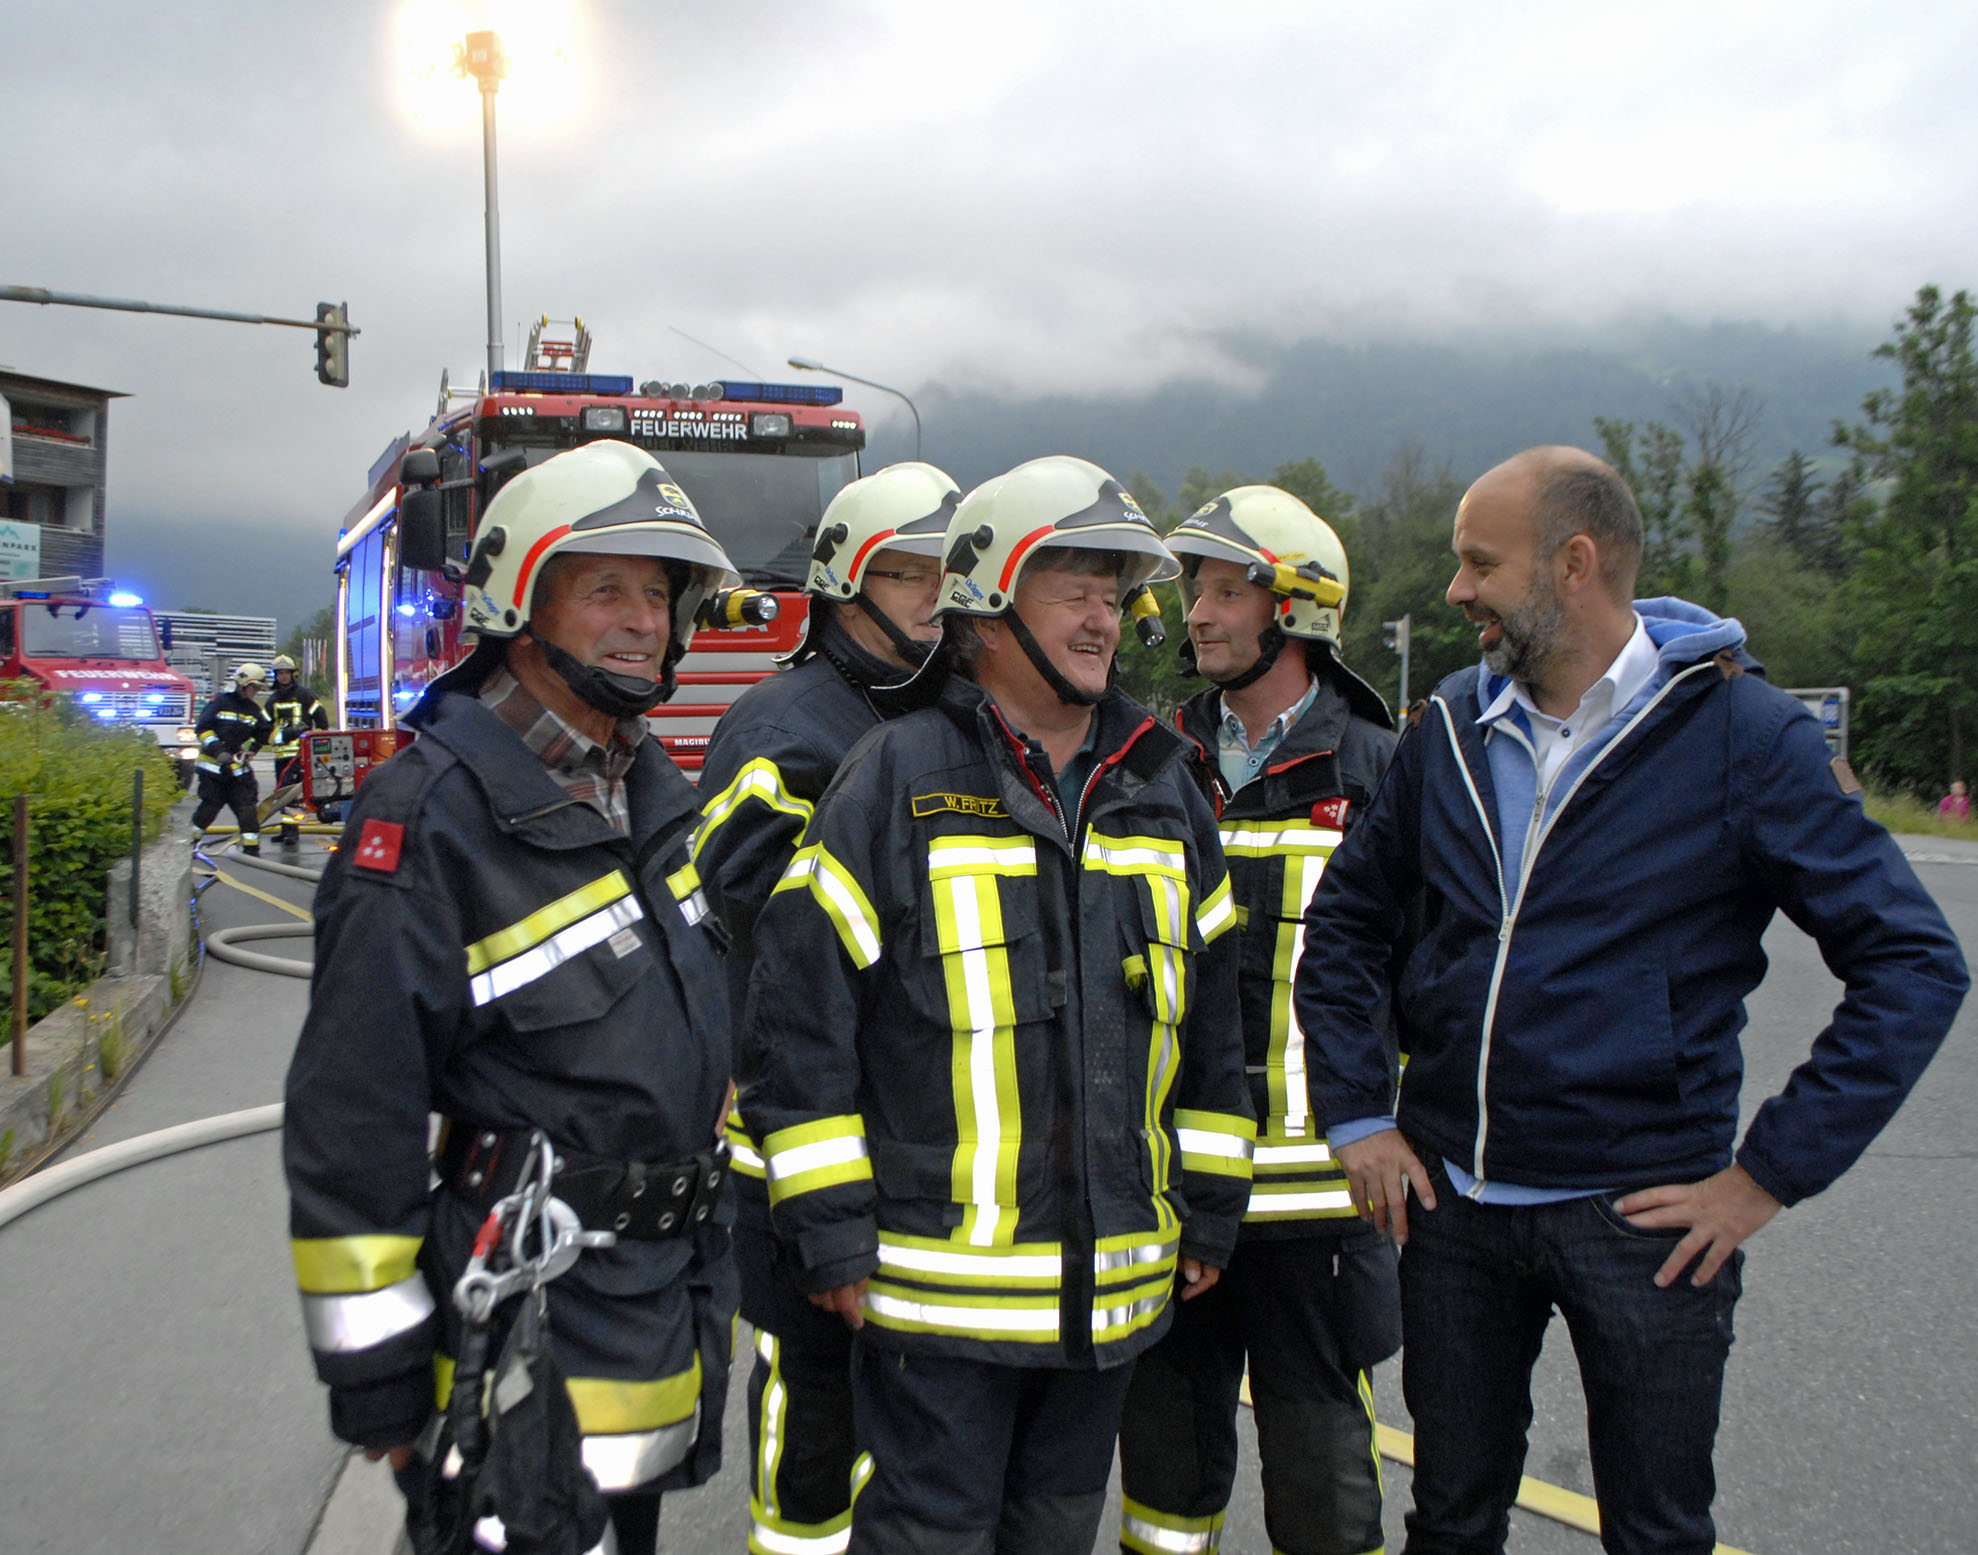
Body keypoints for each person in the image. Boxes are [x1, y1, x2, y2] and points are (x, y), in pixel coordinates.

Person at [1295, 445, 1969, 1555]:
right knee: (1449, 1518)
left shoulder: (1743, 735)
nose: (1456, 590)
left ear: (1574, 563)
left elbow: (1913, 962)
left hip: (1644, 1218)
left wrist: (1765, 1177)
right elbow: (1348, 923)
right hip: (1455, 1207)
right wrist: (1359, 1113)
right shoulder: (1452, 725)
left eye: (1480, 563)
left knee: (1656, 1531)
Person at [747, 455, 1254, 1555]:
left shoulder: (1164, 789)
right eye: (1072, 588)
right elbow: (799, 1021)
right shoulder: (893, 780)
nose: (1102, 618)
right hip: (936, 1309)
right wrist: (829, 1231)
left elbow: (1216, 1027)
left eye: (1113, 593)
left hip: (1112, 1301)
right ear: (985, 608)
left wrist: (1211, 1208)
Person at [283, 440, 744, 1555]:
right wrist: (380, 1379)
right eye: (605, 590)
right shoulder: (430, 817)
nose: (643, 622)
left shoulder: (650, 795)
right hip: (522, 1325)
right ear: (518, 606)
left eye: (658, 593)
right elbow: (353, 1116)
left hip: (647, 1310)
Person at [1118, 486, 1401, 1555]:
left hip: (1319, 1201)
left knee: (1323, 1484)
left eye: (1226, 590)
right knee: (1164, 1471)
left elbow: (1433, 975)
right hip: (1176, 1186)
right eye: (1196, 589)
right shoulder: (1150, 761)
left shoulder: (1378, 771)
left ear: (1298, 608)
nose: (1196, 612)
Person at [693, 460, 959, 1555]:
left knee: (923, 1419)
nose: (936, 596)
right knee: (813, 1412)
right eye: (908, 574)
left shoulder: (956, 713)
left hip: (927, 1131)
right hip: (803, 1130)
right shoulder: (781, 723)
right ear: (846, 583)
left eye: (950, 572)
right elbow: (759, 932)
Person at [190, 661, 272, 855]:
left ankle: (251, 851)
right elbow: (203, 729)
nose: (255, 692)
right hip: (213, 769)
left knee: (247, 809)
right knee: (209, 808)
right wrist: (218, 750)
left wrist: (291, 733)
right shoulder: (219, 703)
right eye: (253, 687)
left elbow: (266, 733)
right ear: (242, 684)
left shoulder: (253, 710)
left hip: (237, 770)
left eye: (258, 689)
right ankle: (189, 845)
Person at [263, 652, 330, 848]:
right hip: (281, 756)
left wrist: (314, 743)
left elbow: (322, 719)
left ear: (293, 674)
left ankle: (292, 832)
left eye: (286, 673)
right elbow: (263, 728)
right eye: (280, 673)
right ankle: (286, 829)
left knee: (292, 794)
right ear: (275, 675)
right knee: (281, 793)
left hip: (299, 756)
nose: (283, 676)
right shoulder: (272, 700)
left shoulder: (305, 695)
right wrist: (253, 749)